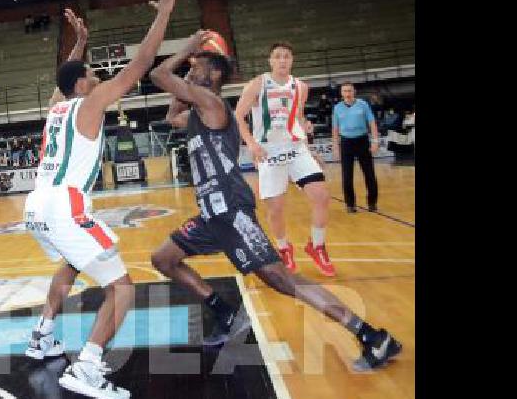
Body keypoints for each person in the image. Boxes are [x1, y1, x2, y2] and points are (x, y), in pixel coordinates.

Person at [147, 32, 403, 373]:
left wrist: (187, 48)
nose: (191, 72)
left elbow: (159, 76)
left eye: (198, 69)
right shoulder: (195, 114)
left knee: (282, 280)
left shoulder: (213, 105)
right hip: (211, 215)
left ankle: (371, 336)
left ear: (215, 75)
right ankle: (225, 314)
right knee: (164, 258)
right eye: (190, 71)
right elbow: (171, 115)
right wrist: (192, 67)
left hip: (232, 211)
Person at [23, 0, 174, 399]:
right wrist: (163, 12)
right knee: (122, 286)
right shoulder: (90, 103)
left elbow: (65, 76)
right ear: (85, 86)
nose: (98, 77)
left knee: (71, 265)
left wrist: (80, 42)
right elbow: (140, 65)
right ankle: (88, 365)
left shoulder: (57, 105)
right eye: (93, 74)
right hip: (66, 205)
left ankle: (42, 336)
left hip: (36, 206)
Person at [234, 41, 335, 276]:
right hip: (269, 152)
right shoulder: (257, 84)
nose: (282, 60)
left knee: (321, 196)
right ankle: (284, 248)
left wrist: (308, 138)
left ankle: (317, 246)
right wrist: (251, 144)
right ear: (270, 60)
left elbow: (298, 117)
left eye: (286, 56)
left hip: (296, 148)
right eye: (277, 56)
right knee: (276, 209)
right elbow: (238, 117)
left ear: (292, 60)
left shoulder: (301, 86)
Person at [332, 82, 380, 213]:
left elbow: (372, 123)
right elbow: (335, 129)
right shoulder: (337, 108)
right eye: (345, 91)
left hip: (362, 141)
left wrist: (375, 141)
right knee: (347, 176)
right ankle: (350, 204)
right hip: (346, 143)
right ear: (341, 93)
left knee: (369, 174)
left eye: (349, 91)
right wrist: (335, 146)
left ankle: (372, 203)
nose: (347, 94)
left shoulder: (363, 104)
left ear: (354, 92)